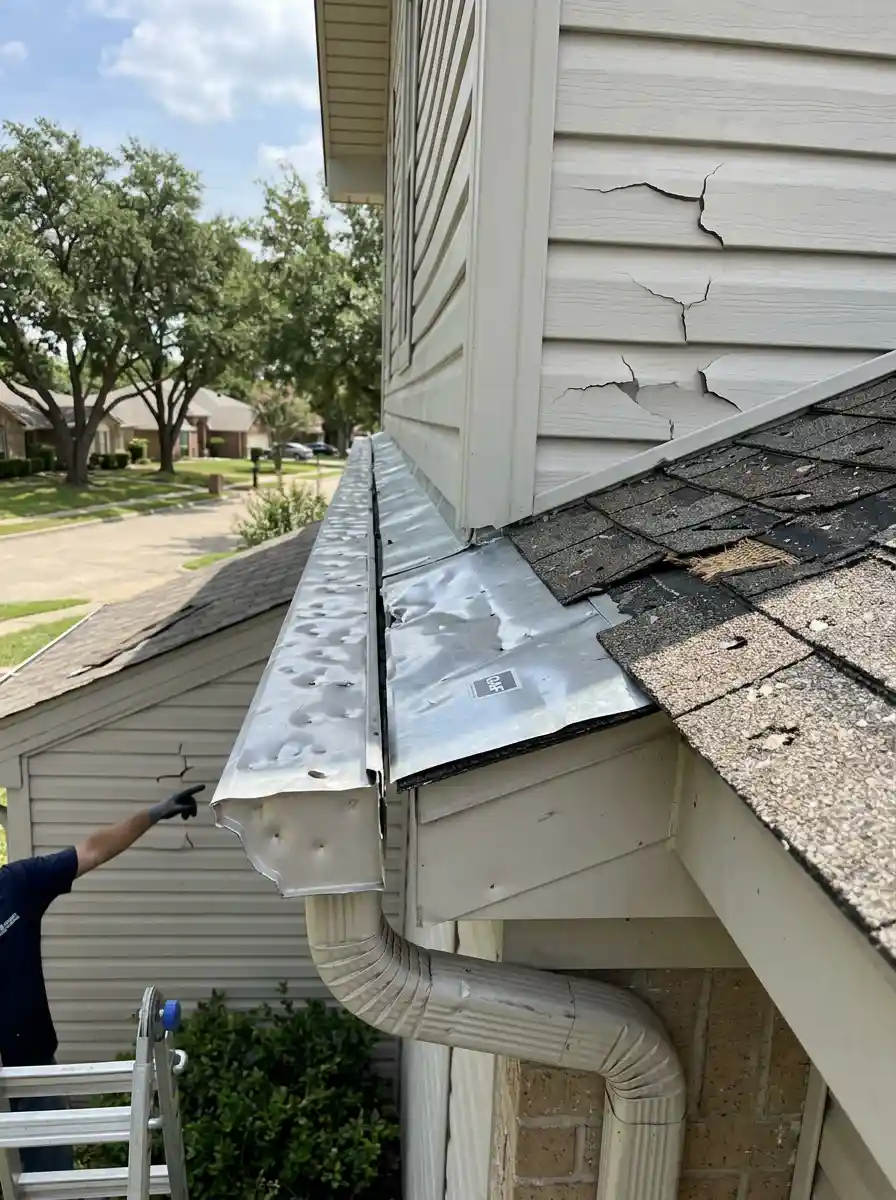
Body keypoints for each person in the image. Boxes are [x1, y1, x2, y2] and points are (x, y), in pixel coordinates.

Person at [0, 785, 203, 1175]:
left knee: (54, 1180)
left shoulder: (15, 886)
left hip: (34, 1073)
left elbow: (92, 850)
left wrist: (155, 812)